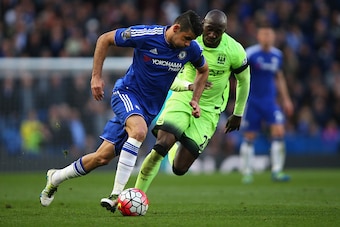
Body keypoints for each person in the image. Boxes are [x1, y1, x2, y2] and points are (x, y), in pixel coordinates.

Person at [40, 10, 209, 213]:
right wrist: (96, 77)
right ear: (175, 28)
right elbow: (104, 39)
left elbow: (203, 70)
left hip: (148, 109)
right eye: (187, 38)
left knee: (101, 157)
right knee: (139, 132)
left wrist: (196, 99)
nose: (189, 43)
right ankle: (116, 194)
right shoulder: (146, 35)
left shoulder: (191, 49)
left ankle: (55, 177)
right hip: (127, 94)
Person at [134, 9, 250, 193]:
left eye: (217, 31)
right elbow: (168, 75)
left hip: (210, 109)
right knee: (161, 146)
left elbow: (244, 80)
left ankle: (176, 146)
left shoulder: (234, 50)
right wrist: (189, 86)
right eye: (209, 29)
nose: (212, 34)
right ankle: (136, 193)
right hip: (183, 98)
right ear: (203, 24)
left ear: (225, 30)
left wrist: (238, 113)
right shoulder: (189, 41)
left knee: (179, 169)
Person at [239, 23, 294, 184]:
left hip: (270, 101)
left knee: (279, 131)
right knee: (250, 136)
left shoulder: (278, 55)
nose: (267, 37)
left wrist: (286, 99)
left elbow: (279, 77)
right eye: (264, 34)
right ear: (258, 36)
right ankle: (247, 172)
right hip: (253, 101)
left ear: (274, 37)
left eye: (270, 34)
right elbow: (240, 75)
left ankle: (277, 171)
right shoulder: (250, 54)